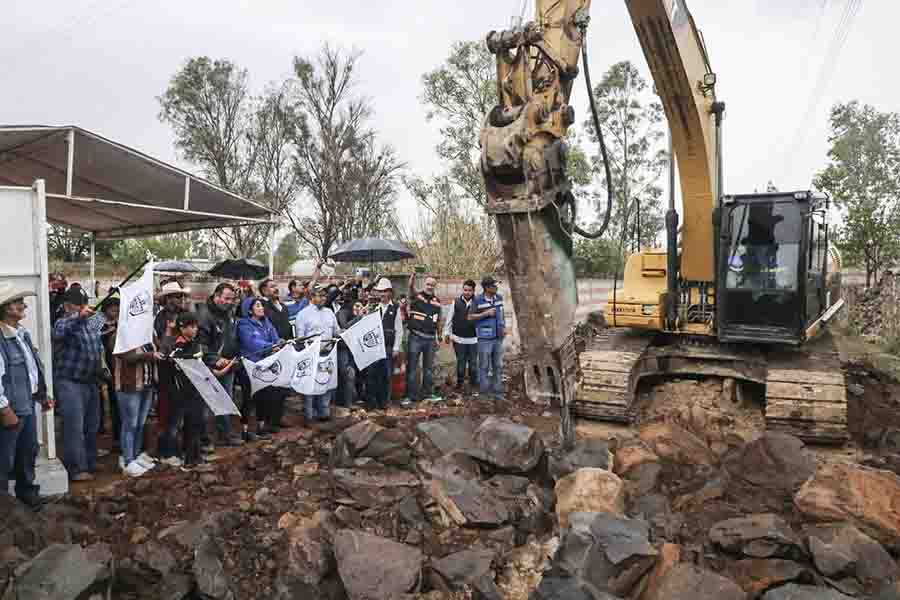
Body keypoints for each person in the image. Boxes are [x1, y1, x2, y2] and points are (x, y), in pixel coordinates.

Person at [0, 284, 51, 510]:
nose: (23, 305)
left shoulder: (22, 333)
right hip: (11, 407)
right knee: (4, 457)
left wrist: (42, 395)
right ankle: (3, 504)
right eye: (17, 301)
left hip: (27, 403)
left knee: (27, 450)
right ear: (4, 308)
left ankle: (26, 492)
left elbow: (33, 369)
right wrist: (4, 409)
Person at [52, 286, 103, 481]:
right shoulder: (62, 322)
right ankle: (76, 468)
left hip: (91, 380)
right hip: (69, 382)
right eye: (79, 305)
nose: (84, 307)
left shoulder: (91, 322)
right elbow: (59, 332)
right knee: (74, 426)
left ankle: (89, 462)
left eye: (85, 303)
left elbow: (104, 327)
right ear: (67, 306)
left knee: (92, 425)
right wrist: (79, 316)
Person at [196, 283, 243, 447]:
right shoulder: (204, 315)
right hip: (210, 366)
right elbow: (200, 344)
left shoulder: (228, 312)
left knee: (225, 400)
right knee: (207, 403)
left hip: (229, 364)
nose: (230, 302)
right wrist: (215, 359)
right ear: (216, 296)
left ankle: (226, 434)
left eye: (232, 299)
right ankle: (204, 440)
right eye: (226, 298)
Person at [237, 298, 282, 440]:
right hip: (250, 367)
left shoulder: (266, 322)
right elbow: (251, 342)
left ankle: (261, 426)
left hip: (265, 365)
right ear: (249, 310)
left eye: (262, 305)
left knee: (263, 397)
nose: (262, 307)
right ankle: (244, 430)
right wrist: (269, 346)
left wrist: (279, 342)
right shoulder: (243, 325)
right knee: (248, 398)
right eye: (257, 306)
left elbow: (275, 336)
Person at [113, 340, 160, 477]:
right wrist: (150, 355)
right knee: (130, 424)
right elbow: (127, 357)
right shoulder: (121, 335)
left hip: (147, 385)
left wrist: (168, 332)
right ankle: (127, 461)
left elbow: (160, 349)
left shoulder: (148, 334)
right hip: (128, 386)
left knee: (140, 423)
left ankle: (135, 456)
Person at [168, 312, 209, 468]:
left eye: (196, 326)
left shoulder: (195, 343)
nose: (195, 329)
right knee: (189, 425)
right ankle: (187, 458)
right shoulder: (178, 347)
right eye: (191, 326)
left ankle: (195, 455)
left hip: (197, 389)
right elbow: (176, 363)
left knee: (197, 423)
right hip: (184, 392)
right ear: (182, 328)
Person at [293, 284, 340, 423]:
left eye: (325, 296)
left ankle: (324, 412)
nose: (324, 298)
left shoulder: (330, 312)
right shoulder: (303, 314)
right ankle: (309, 415)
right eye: (321, 295)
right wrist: (312, 346)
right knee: (310, 385)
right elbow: (300, 338)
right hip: (311, 354)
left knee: (325, 382)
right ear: (312, 297)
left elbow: (337, 331)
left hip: (328, 354)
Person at [404, 272, 443, 405]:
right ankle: (410, 396)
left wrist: (439, 336)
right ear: (424, 284)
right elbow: (410, 288)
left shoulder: (437, 302)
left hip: (430, 339)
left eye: (432, 285)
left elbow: (438, 320)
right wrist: (412, 278)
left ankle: (428, 393)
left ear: (435, 286)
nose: (430, 287)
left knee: (428, 368)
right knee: (412, 368)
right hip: (415, 337)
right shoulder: (417, 296)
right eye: (428, 284)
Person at [367, 278, 403, 410]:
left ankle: (384, 402)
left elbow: (399, 329)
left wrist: (396, 347)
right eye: (380, 292)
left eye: (384, 291)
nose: (382, 294)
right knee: (372, 375)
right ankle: (372, 402)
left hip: (388, 347)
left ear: (390, 293)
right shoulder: (374, 308)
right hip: (374, 348)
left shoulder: (395, 308)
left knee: (386, 375)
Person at [469, 277, 506, 399]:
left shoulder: (499, 298)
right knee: (484, 365)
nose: (496, 287)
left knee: (498, 365)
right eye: (494, 286)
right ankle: (484, 392)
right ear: (487, 288)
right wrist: (485, 314)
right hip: (484, 338)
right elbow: (470, 317)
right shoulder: (477, 300)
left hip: (498, 338)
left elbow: (501, 313)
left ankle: (497, 391)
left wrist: (503, 326)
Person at [442, 279, 479, 393]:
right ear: (463, 289)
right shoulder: (456, 302)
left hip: (474, 340)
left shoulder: (478, 302)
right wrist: (446, 333)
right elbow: (449, 318)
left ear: (473, 291)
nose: (467, 292)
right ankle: (460, 385)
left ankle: (473, 385)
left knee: (473, 364)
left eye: (470, 290)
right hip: (459, 339)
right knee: (461, 363)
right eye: (465, 290)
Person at [98, 297, 121, 442]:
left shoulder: (122, 323)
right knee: (101, 401)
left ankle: (117, 435)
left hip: (116, 367)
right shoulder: (98, 324)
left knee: (116, 402)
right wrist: (106, 333)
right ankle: (101, 428)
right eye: (113, 308)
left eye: (117, 308)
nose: (116, 311)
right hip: (101, 366)